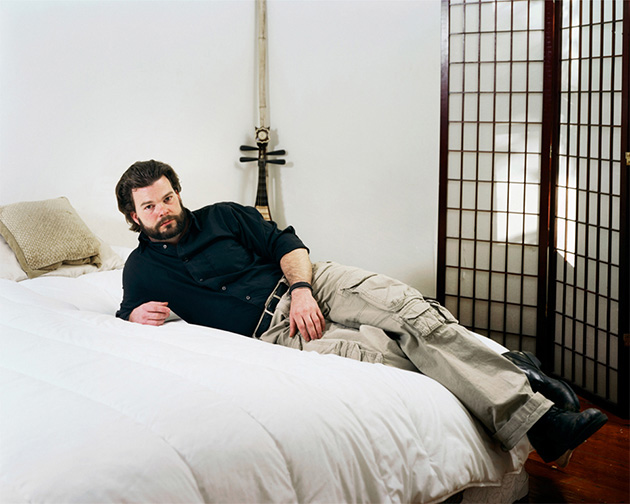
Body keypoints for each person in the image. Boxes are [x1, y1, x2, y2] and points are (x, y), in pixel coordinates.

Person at [115, 160, 607, 467]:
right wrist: (133, 316)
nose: (164, 210)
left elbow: (288, 244)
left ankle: (542, 422)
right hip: (275, 330)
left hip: (310, 283)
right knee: (385, 355)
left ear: (178, 193)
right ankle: (517, 371)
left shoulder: (224, 215)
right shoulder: (141, 270)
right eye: (150, 206)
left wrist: (302, 289)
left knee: (410, 313)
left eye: (168, 197)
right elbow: (123, 313)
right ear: (134, 217)